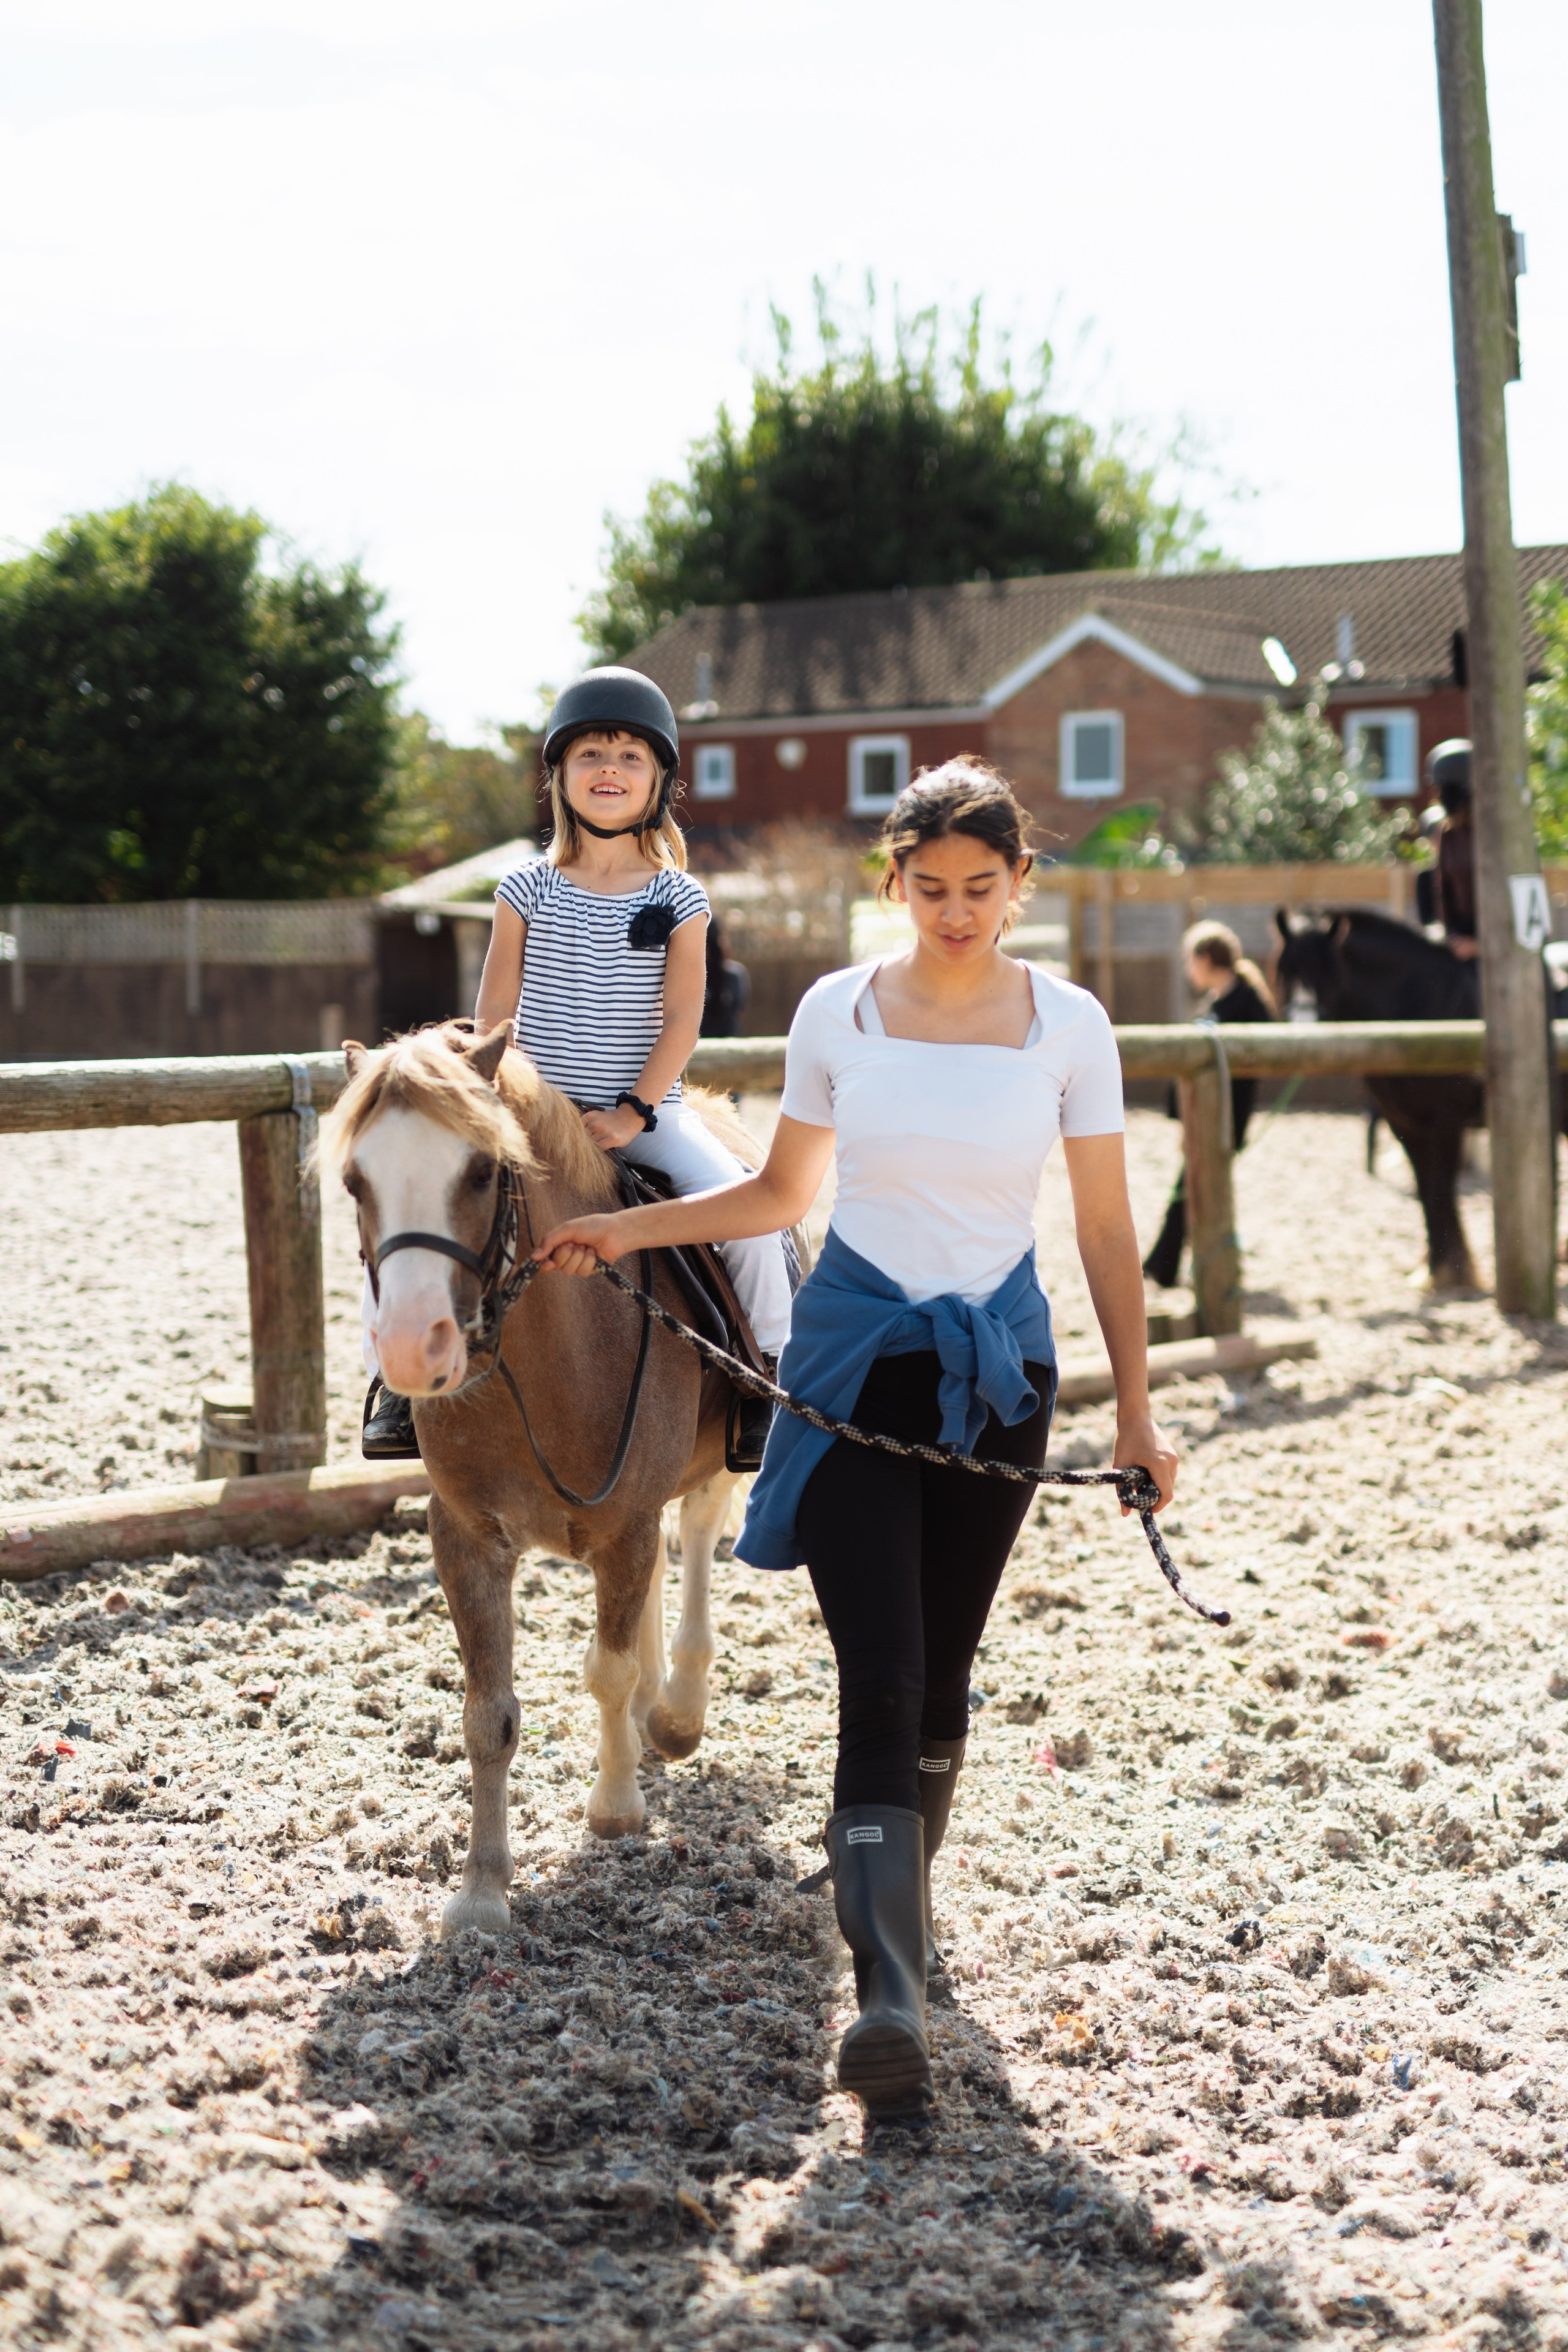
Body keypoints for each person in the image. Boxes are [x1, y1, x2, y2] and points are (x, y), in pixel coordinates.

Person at [533, 758, 1178, 2127]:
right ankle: (884, 1994)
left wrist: (1134, 1408)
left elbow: (1108, 1234)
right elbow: (778, 1191)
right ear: (891, 883)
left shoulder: (1069, 1026)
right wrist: (620, 1230)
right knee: (878, 1678)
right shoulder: (838, 1010)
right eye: (928, 887)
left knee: (941, 1680)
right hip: (844, 1372)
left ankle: (906, 1924)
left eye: (980, 888)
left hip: (1001, 1380)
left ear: (1018, 887)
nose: (954, 912)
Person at [360, 667, 794, 1460]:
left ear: (658, 781)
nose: (608, 768)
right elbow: (495, 1015)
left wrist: (635, 1111)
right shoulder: (524, 886)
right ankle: (390, 1386)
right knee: (410, 1206)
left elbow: (681, 1016)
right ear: (558, 776)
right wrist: (500, 1102)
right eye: (590, 753)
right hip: (533, 1109)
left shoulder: (681, 897)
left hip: (643, 1112)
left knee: (747, 1215)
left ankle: (763, 1374)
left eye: (630, 756)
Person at [1140, 920, 1276, 1292]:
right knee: (1196, 1185)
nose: (1188, 970)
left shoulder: (1245, 1001)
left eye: (1190, 961)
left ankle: (1164, 1267)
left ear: (1204, 959)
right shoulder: (1220, 1001)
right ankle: (1173, 1264)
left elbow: (1254, 1055)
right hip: (1206, 1114)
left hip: (1225, 1115)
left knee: (1192, 1187)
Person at [1427, 739, 1479, 961]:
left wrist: (1480, 945)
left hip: (1493, 937)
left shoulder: (1492, 834)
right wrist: (1452, 937)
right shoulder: (1446, 833)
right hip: (1461, 937)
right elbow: (1443, 890)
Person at [700, 913, 751, 1038]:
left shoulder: (735, 975)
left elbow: (738, 1013)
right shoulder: (690, 976)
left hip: (727, 1043)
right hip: (699, 1046)